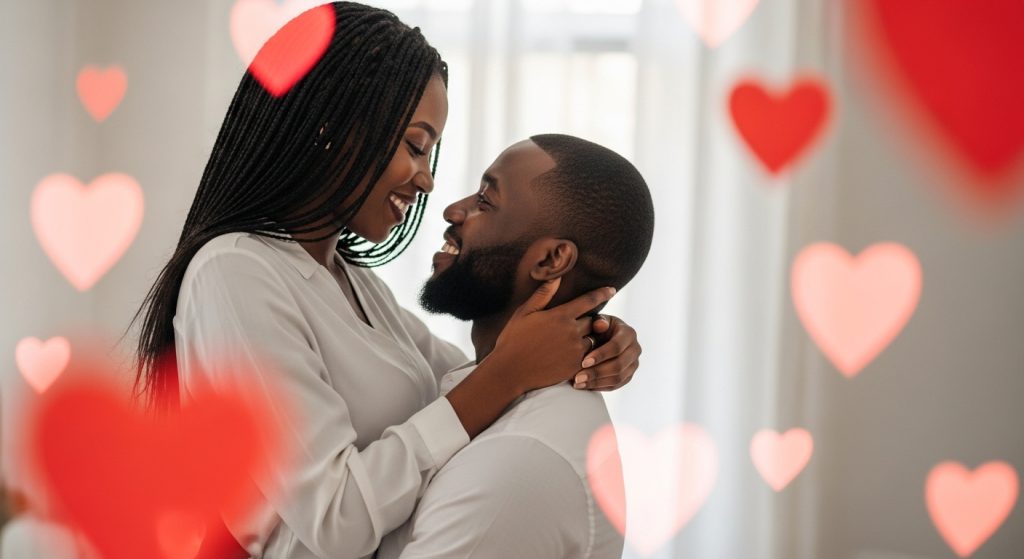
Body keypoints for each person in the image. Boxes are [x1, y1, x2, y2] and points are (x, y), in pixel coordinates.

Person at [128, 3, 643, 559]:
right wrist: (506, 375)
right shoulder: (236, 271)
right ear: (333, 131)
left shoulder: (349, 281)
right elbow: (334, 520)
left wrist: (587, 340)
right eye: (417, 146)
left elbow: (461, 374)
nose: (427, 181)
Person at [376, 134, 653, 559]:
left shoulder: (516, 462)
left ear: (550, 261)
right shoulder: (500, 398)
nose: (453, 210)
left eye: (486, 201)